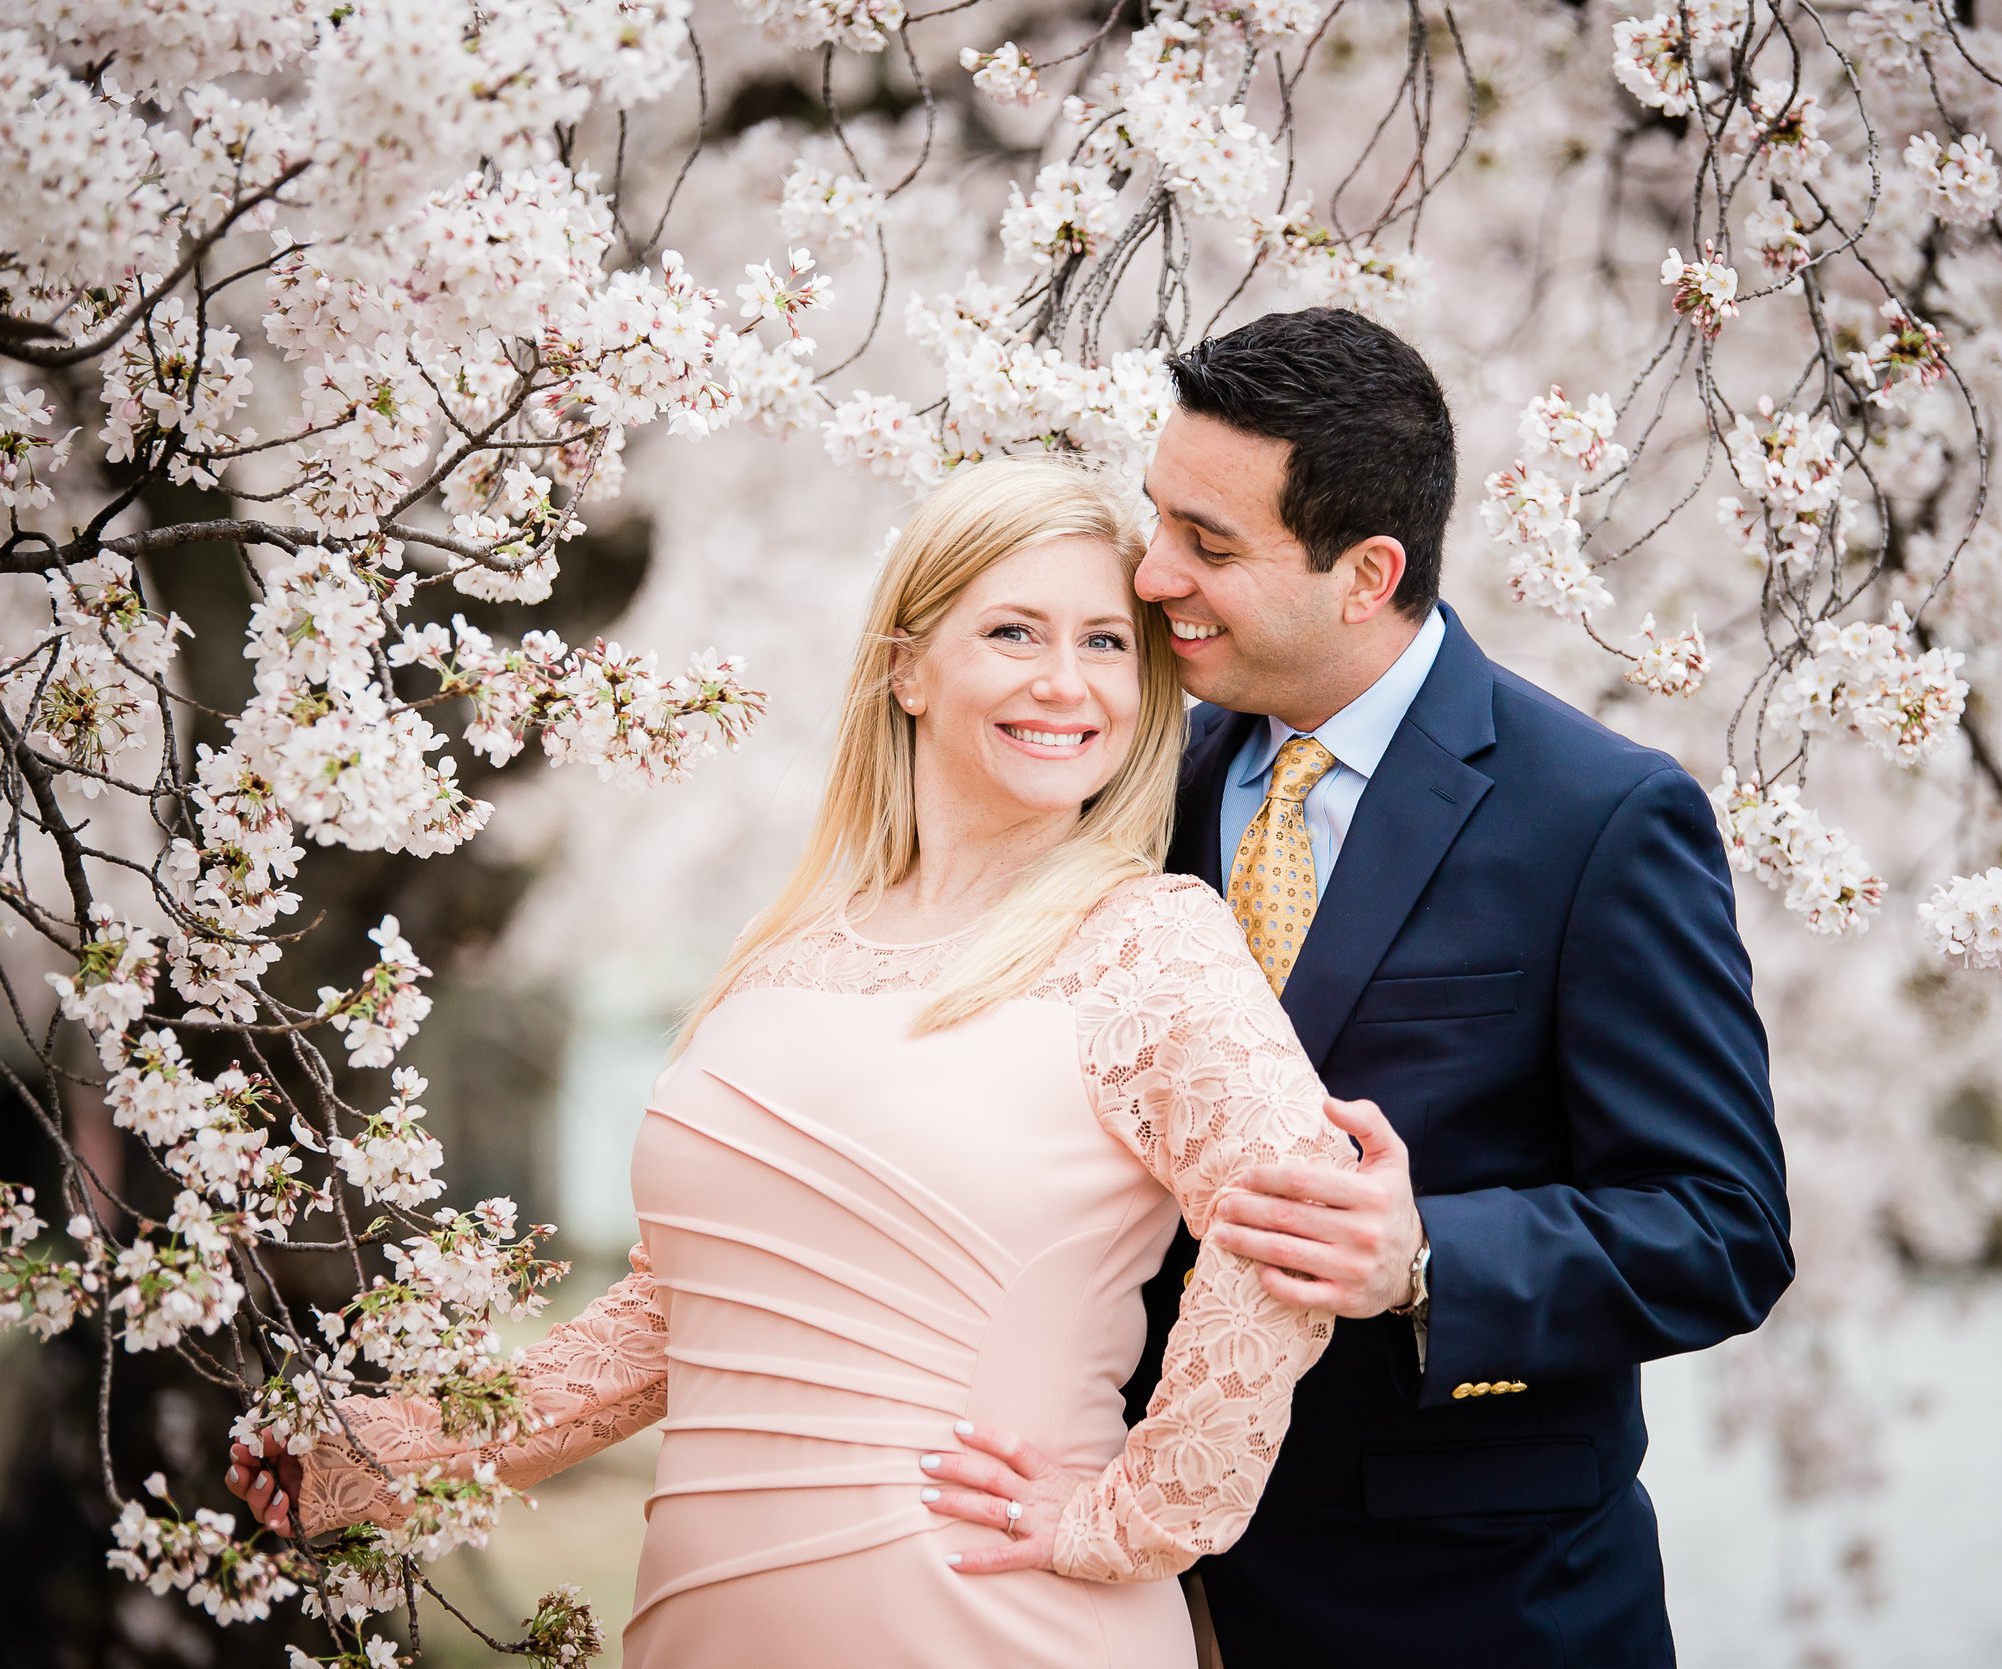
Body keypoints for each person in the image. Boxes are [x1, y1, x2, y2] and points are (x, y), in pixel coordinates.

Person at [222, 456, 1357, 1668]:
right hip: (708, 1618)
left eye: (1105, 644)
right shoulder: (786, 954)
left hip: (997, 1619)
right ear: (907, 665)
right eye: (1014, 630)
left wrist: (1142, 1516)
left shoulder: (1151, 940)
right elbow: (679, 1316)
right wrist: (379, 1451)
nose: (1063, 683)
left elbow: (1292, 1221)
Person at [1121, 306, 1795, 1667]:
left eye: (1208, 545)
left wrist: (1425, 1261)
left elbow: (1723, 1228)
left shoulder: (1602, 819)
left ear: (1365, 571)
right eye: (1156, 520)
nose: (1148, 576)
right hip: (1142, 1593)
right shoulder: (1136, 781)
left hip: (1475, 1606)